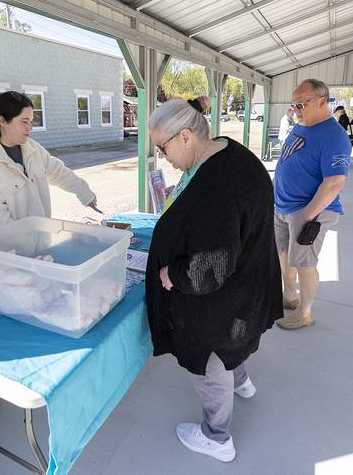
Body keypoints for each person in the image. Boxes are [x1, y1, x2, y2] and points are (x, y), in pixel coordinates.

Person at [145, 98, 283, 462]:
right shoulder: (229, 151)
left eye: (163, 147)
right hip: (250, 283)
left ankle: (217, 437)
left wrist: (171, 274)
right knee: (234, 347)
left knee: (210, 361)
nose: (163, 157)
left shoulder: (216, 189)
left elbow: (211, 267)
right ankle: (242, 382)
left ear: (186, 136)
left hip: (224, 303)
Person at [0, 91, 100, 233]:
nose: (30, 127)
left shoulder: (32, 148)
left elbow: (58, 171)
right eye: (24, 121)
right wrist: (32, 248)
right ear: (2, 121)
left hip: (39, 244)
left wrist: (84, 193)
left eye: (30, 121)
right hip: (8, 252)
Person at [274, 79, 350, 330]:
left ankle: (305, 312)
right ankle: (290, 295)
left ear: (321, 101)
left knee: (304, 263)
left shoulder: (334, 136)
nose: (295, 109)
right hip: (282, 207)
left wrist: (307, 216)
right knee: (284, 254)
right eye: (293, 104)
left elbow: (335, 183)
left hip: (309, 212)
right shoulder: (302, 124)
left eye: (301, 104)